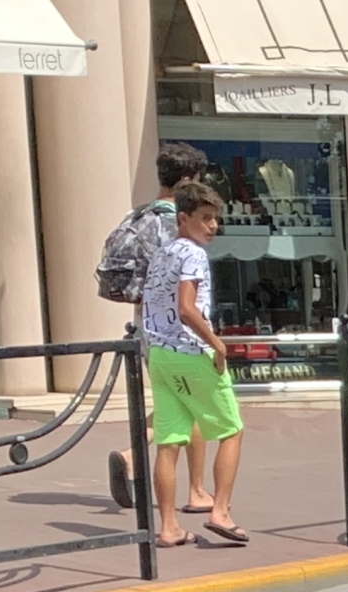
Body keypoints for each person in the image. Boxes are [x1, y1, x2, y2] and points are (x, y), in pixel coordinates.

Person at [108, 140, 214, 514]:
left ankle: (133, 458)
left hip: (146, 328)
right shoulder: (181, 222)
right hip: (181, 329)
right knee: (199, 404)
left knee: (176, 402)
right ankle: (197, 490)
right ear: (187, 181)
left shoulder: (138, 215)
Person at [140, 181, 244, 547]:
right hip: (190, 351)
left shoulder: (162, 253)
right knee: (231, 429)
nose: (212, 226)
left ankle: (168, 527)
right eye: (205, 218)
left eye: (215, 219)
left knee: (168, 441)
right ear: (183, 218)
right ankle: (222, 511)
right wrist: (218, 345)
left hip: (160, 355)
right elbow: (187, 308)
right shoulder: (194, 254)